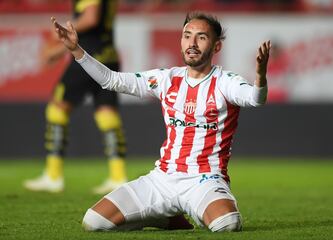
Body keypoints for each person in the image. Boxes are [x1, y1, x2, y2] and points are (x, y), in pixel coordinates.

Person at [50, 12, 271, 231]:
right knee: (94, 222)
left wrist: (260, 76)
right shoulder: (166, 78)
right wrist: (76, 51)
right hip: (163, 178)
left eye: (201, 37)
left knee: (227, 224)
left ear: (216, 47)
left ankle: (184, 211)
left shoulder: (226, 82)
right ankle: (164, 218)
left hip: (205, 180)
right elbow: (111, 80)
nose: (192, 43)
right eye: (187, 35)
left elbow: (255, 99)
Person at [24, 0, 127, 195]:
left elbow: (91, 17)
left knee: (57, 108)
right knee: (107, 114)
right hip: (109, 55)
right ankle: (118, 176)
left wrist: (61, 38)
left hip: (87, 57)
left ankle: (53, 175)